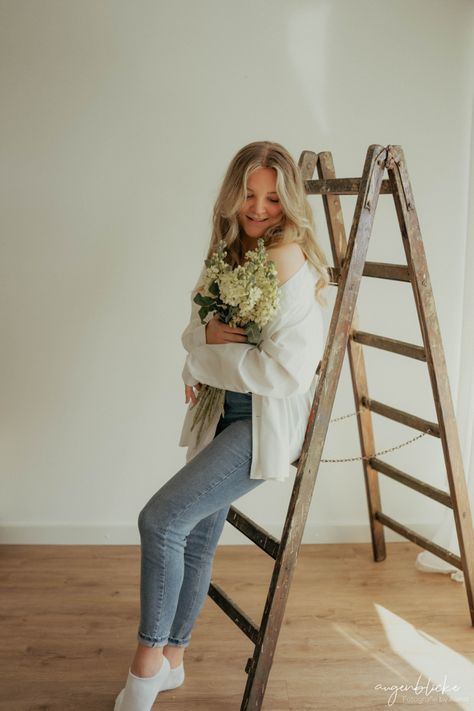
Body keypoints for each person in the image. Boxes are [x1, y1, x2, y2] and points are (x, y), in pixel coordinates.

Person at [114, 141, 329, 711]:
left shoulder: (288, 261)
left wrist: (204, 355)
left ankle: (144, 669)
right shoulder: (231, 250)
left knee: (160, 521)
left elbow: (283, 373)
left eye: (273, 201)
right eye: (249, 196)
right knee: (197, 533)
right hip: (220, 410)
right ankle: (174, 662)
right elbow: (192, 330)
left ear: (290, 205)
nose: (258, 209)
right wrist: (199, 347)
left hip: (263, 424)